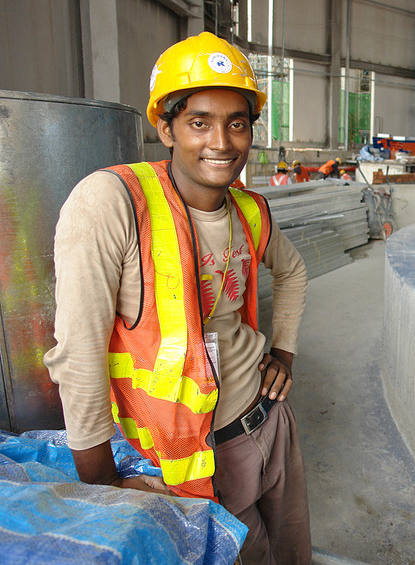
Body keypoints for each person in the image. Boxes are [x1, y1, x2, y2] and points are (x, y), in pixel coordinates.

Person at [44, 32, 312, 565]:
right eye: (199, 122)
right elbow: (78, 352)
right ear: (164, 128)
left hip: (269, 422)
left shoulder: (249, 210)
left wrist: (282, 351)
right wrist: (102, 481)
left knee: (291, 552)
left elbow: (295, 271)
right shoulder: (112, 202)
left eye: (237, 123)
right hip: (192, 455)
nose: (221, 141)